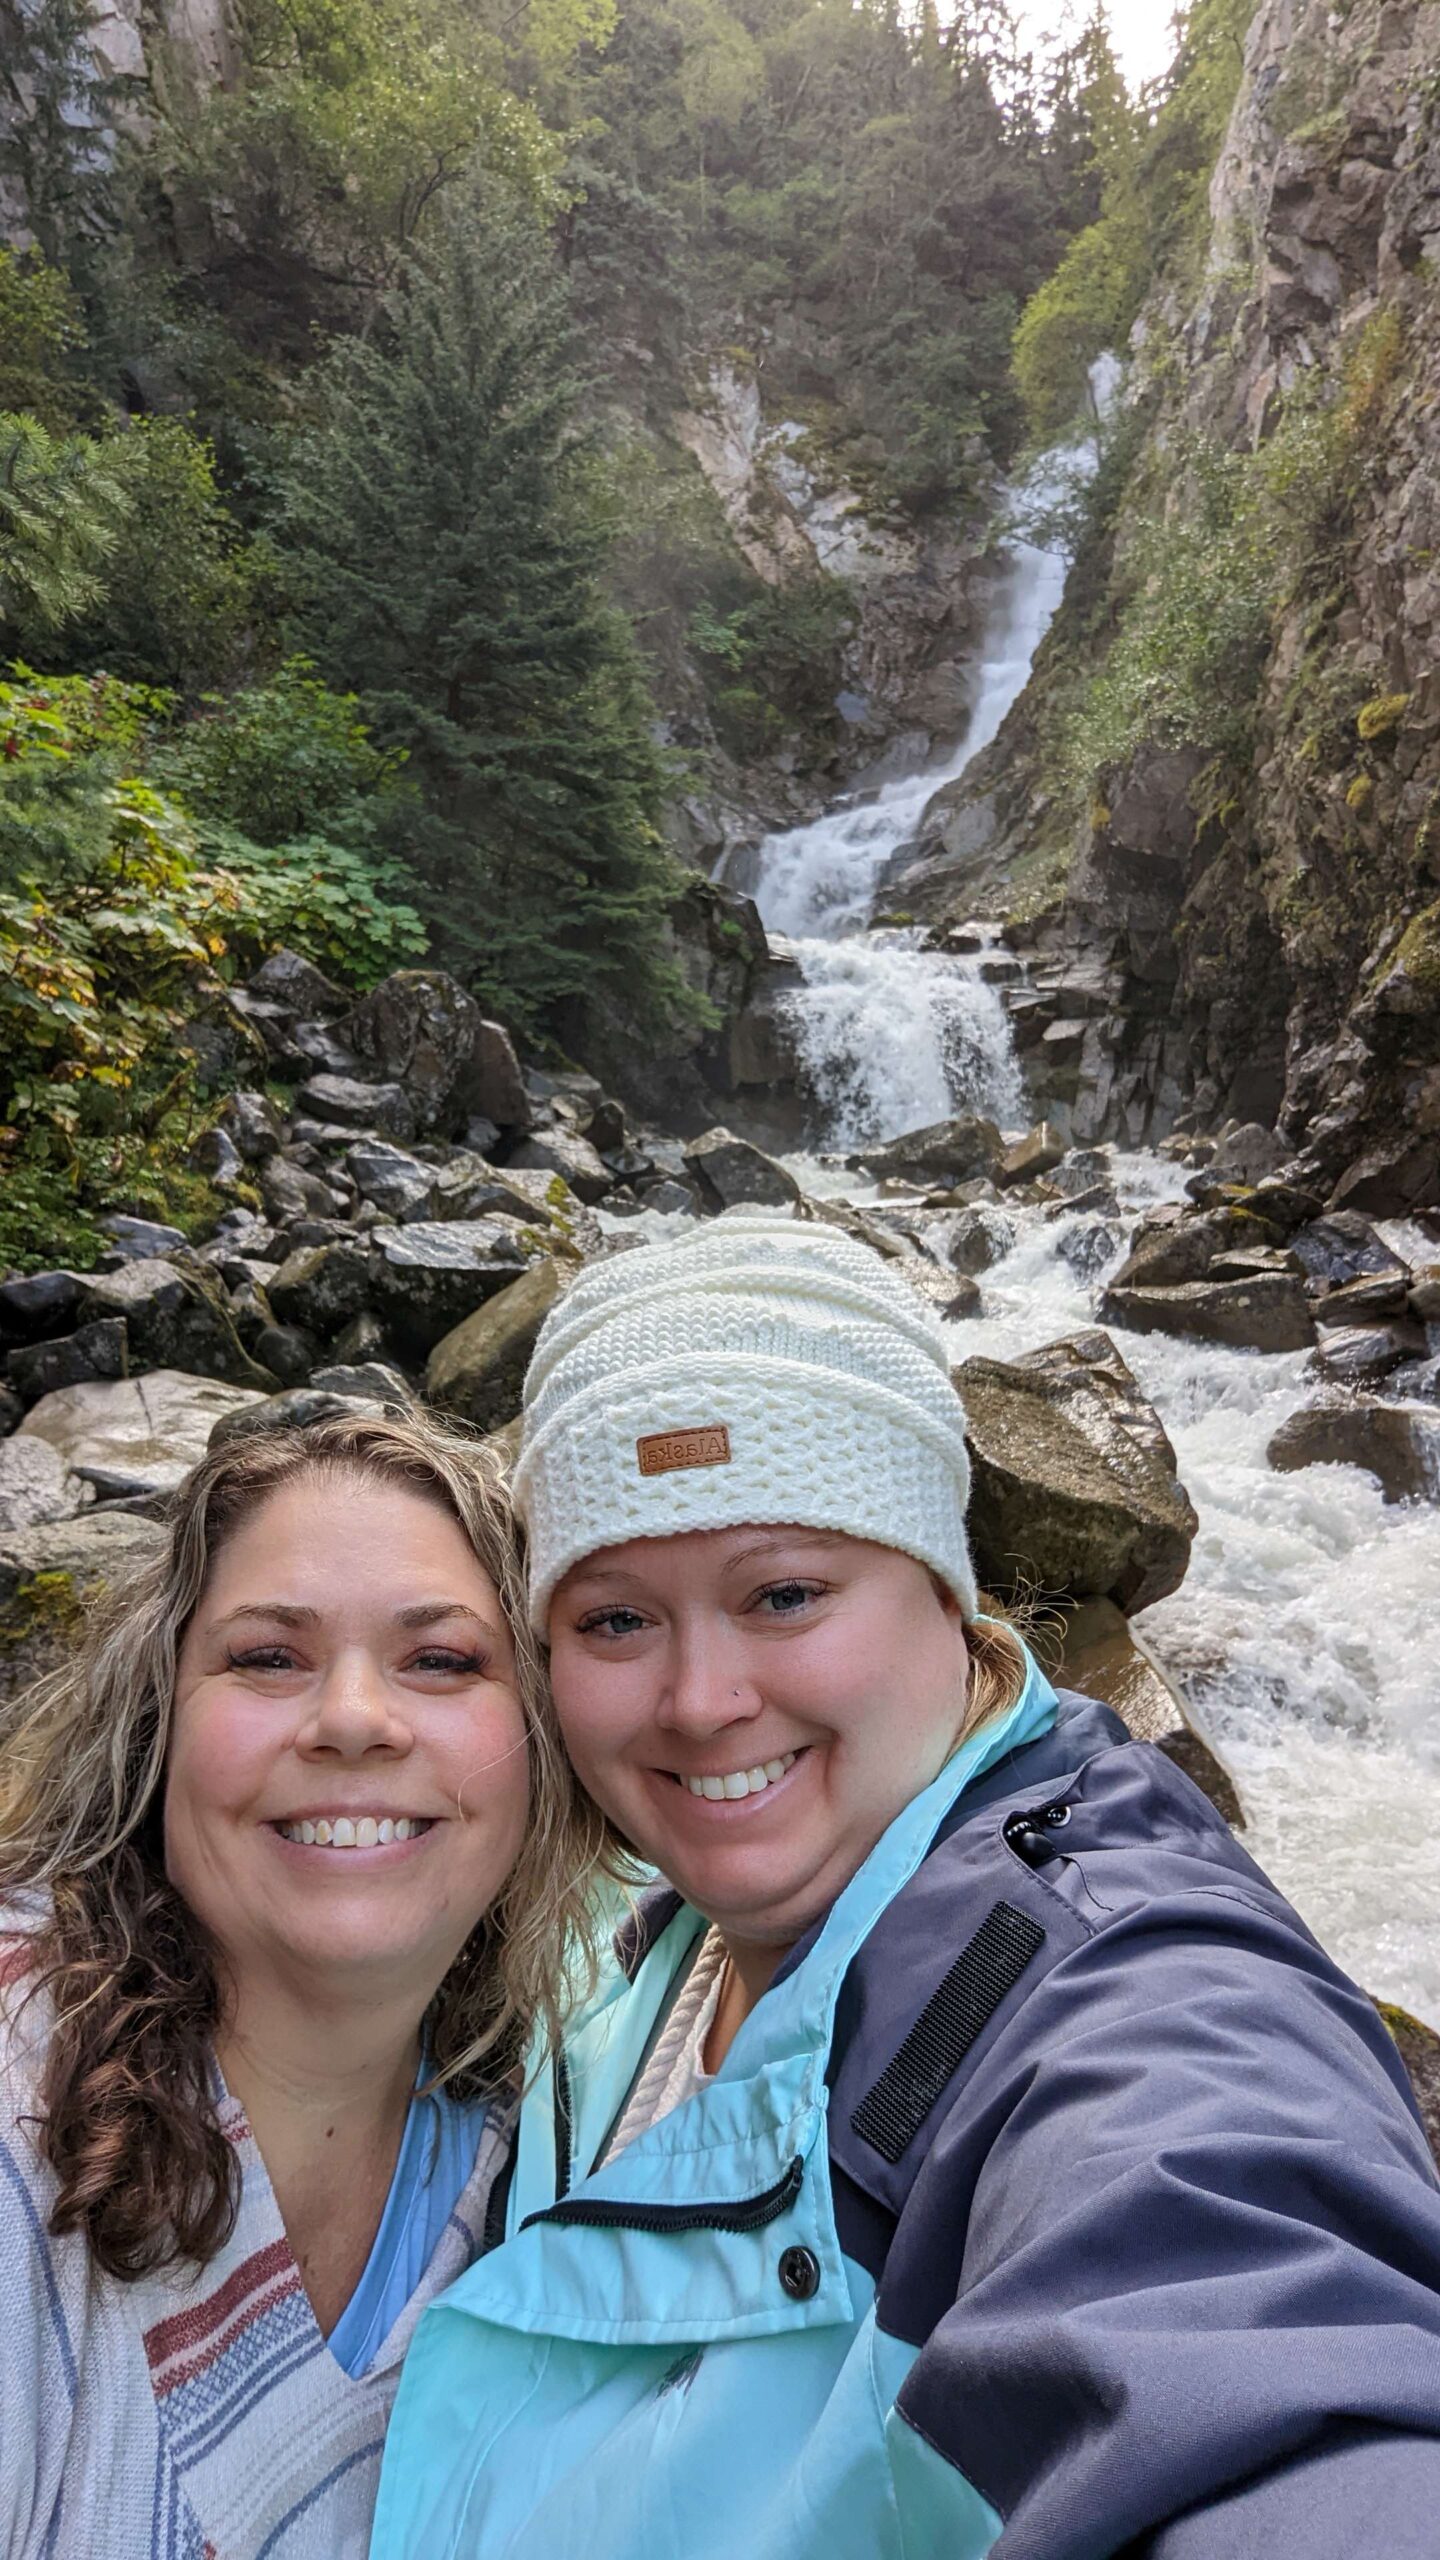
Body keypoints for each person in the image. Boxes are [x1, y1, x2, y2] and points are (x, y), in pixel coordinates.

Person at [373, 1211, 1440, 2560]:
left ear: (947, 1594)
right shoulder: (643, 1926)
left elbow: (1244, 2335)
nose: (700, 1702)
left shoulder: (1121, 1986)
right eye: (617, 1619)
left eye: (785, 1594)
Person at [0, 1409, 605, 2560]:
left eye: (441, 1659)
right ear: (157, 1720)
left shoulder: (552, 2131)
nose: (353, 1720)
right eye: (269, 1657)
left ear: (545, 1744)